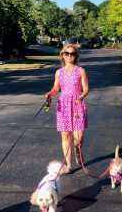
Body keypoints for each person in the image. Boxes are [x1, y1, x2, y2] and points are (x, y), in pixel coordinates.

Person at [46, 45, 89, 173]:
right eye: (67, 53)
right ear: (63, 55)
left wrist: (81, 97)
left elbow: (86, 88)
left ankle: (78, 151)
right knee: (65, 135)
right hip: (64, 104)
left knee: (78, 137)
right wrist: (49, 94)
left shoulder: (81, 70)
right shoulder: (59, 72)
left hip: (77, 103)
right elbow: (56, 89)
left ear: (76, 56)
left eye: (73, 54)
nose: (70, 56)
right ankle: (69, 165)